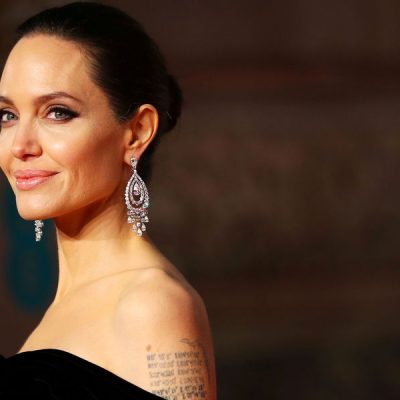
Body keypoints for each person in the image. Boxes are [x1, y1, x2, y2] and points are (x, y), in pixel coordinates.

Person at [0, 2, 216, 399]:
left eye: (57, 113)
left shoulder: (152, 304)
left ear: (137, 132)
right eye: (7, 115)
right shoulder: (66, 304)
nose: (20, 145)